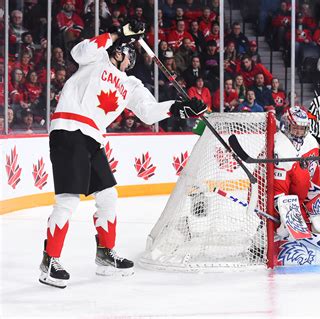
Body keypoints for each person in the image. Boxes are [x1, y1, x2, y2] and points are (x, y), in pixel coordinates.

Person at [39, 21, 206, 289]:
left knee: (108, 196)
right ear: (119, 52)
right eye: (130, 54)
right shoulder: (96, 60)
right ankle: (49, 262)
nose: (132, 60)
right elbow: (78, 52)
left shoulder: (131, 84)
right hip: (69, 129)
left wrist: (180, 107)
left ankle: (105, 255)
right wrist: (116, 34)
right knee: (68, 201)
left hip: (93, 137)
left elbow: (149, 111)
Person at [273, 106, 320, 241]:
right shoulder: (278, 147)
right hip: (279, 202)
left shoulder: (311, 143)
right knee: (284, 231)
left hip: (298, 201)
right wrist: (286, 217)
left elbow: (314, 181)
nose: (298, 132)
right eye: (295, 127)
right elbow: (277, 192)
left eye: (302, 129)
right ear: (286, 125)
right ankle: (269, 235)